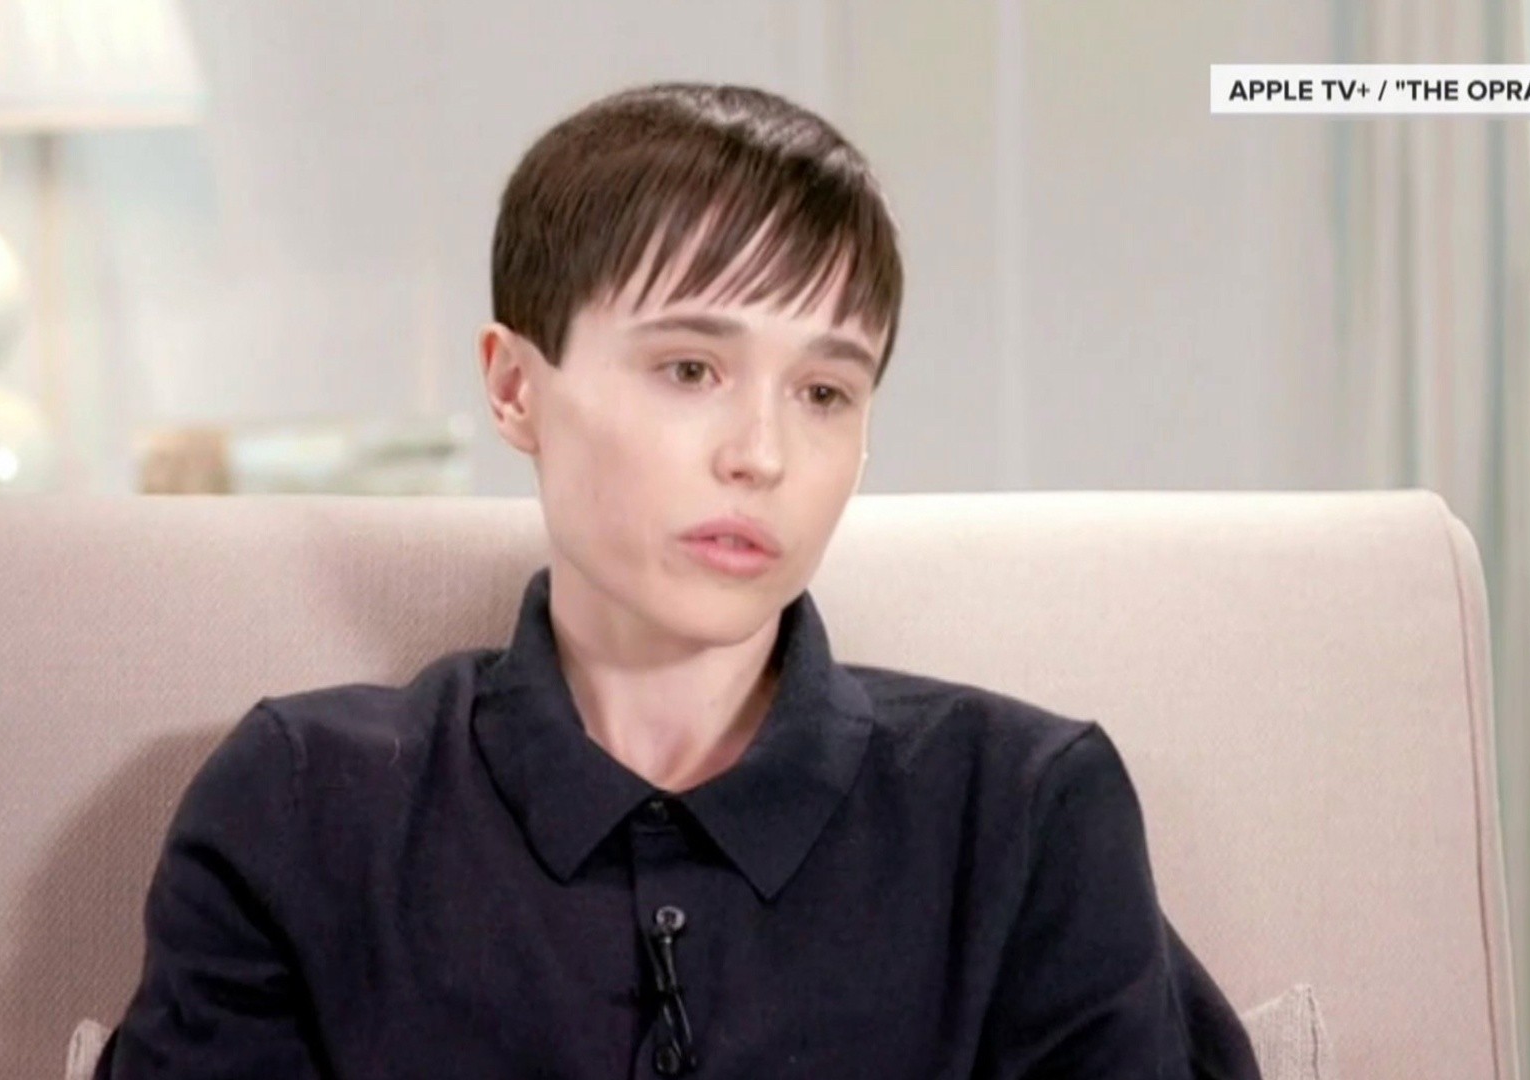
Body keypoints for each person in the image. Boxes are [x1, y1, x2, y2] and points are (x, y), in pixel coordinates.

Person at [91, 81, 1261, 1079]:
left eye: (824, 392)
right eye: (691, 368)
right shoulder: (303, 806)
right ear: (515, 387)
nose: (762, 454)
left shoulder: (1023, 814)